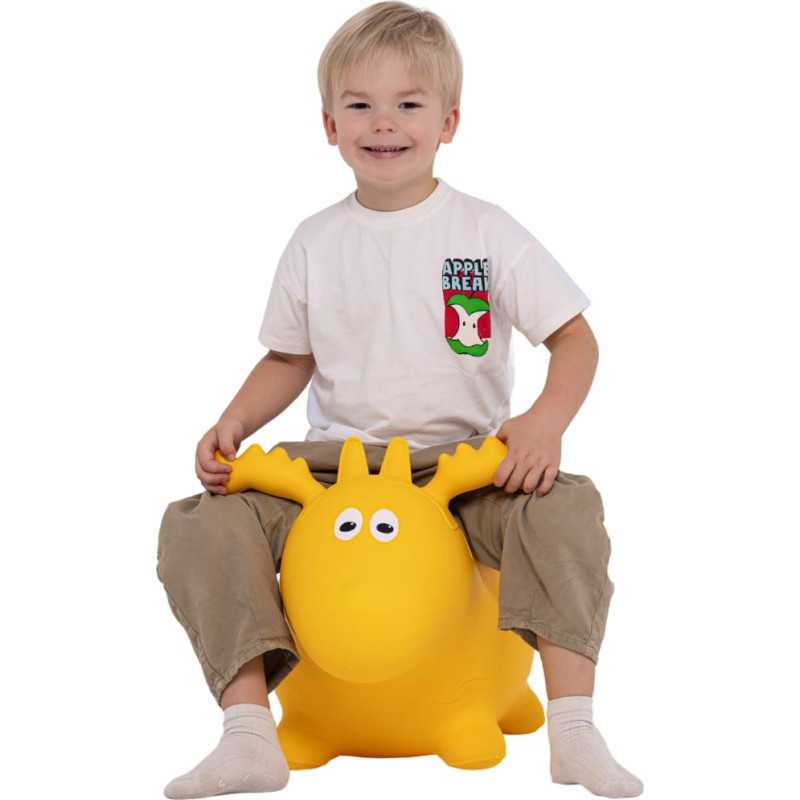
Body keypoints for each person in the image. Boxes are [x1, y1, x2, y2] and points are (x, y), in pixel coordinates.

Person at [157, 3, 643, 798]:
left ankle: (574, 727)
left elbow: (575, 339)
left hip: (462, 462)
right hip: (334, 465)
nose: (384, 123)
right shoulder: (314, 241)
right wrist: (235, 422)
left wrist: (543, 424)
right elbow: (289, 356)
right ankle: (246, 730)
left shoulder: (486, 232)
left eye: (408, 104)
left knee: (566, 507)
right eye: (360, 105)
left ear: (448, 122)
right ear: (329, 125)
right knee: (199, 522)